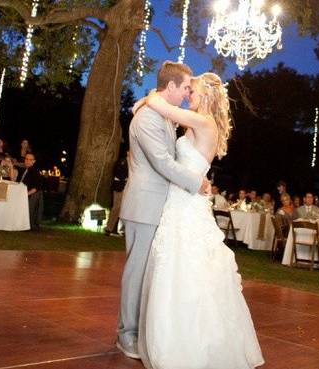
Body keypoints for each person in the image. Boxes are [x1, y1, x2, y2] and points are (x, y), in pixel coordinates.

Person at [136, 70, 264, 369]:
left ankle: (191, 347)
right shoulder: (195, 123)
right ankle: (174, 337)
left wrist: (147, 97)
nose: (187, 96)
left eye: (191, 92)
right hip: (180, 201)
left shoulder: (203, 122)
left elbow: (162, 105)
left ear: (205, 96)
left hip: (188, 206)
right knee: (176, 267)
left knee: (188, 268)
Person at [116, 61, 211, 361]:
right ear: (170, 87)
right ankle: (126, 334)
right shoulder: (147, 119)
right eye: (184, 88)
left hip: (160, 207)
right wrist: (196, 182)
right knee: (137, 271)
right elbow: (162, 162)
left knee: (150, 272)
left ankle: (141, 331)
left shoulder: (161, 115)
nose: (186, 94)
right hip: (144, 205)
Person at [104, 151, 129, 236]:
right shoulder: (122, 162)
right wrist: (125, 179)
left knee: (124, 209)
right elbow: (117, 173)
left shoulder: (133, 163)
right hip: (119, 187)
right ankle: (109, 228)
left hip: (128, 189)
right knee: (116, 207)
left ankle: (120, 229)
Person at [18, 153, 43, 231]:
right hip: (24, 194)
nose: (27, 161)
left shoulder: (34, 171)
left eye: (30, 160)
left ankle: (30, 225)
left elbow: (37, 187)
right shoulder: (26, 170)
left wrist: (26, 194)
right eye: (26, 159)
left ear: (33, 161)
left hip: (32, 195)